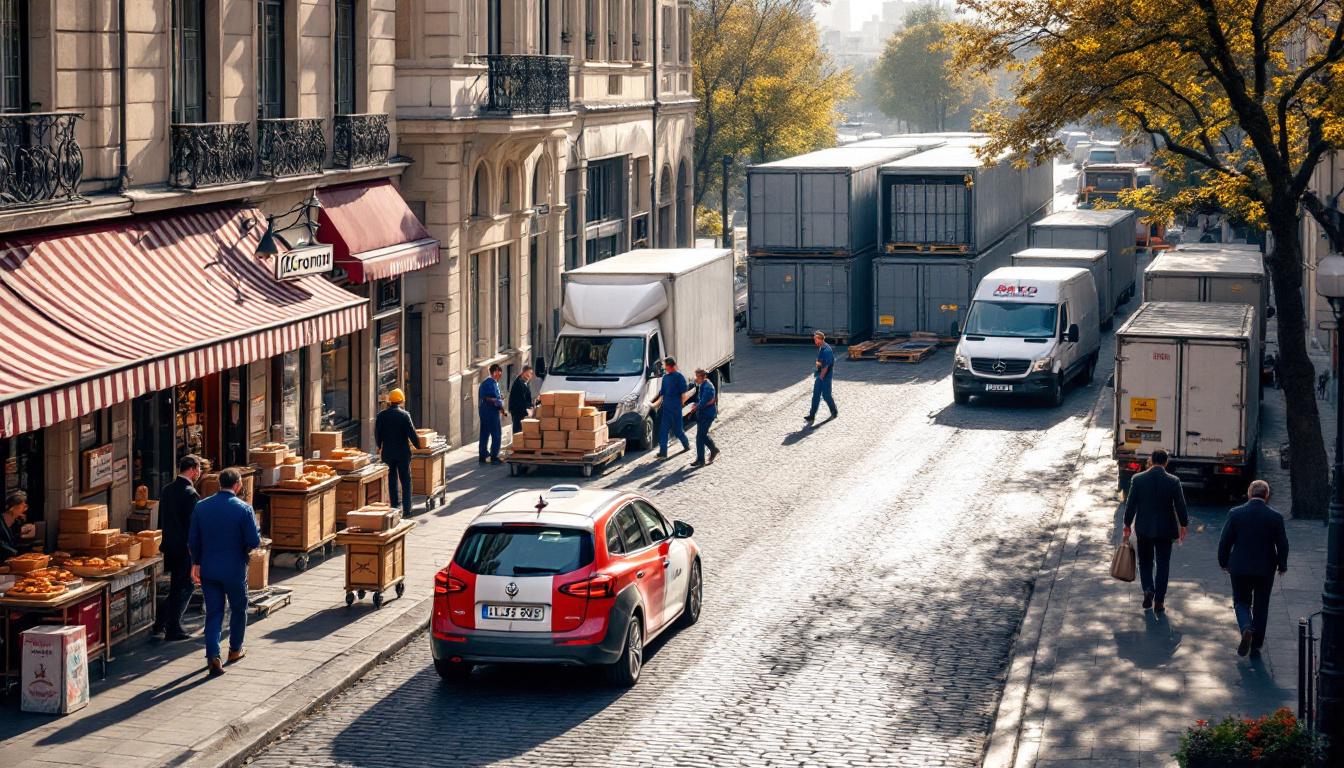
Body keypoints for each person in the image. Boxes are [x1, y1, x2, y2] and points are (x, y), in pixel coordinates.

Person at [189, 468, 261, 677]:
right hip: (235, 569)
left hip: (209, 568)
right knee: (238, 609)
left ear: (220, 484)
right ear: (238, 485)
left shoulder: (201, 507)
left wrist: (196, 563)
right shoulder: (244, 509)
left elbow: (193, 539)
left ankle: (213, 654)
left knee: (214, 613)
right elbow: (253, 541)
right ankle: (235, 650)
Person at [1218, 480, 1289, 657]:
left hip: (1240, 567)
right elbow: (1282, 544)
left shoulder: (1236, 513)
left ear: (1249, 494)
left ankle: (1246, 627)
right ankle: (1256, 643)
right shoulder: (1275, 517)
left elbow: (1225, 541)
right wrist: (1282, 564)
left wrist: (1224, 561)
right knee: (1261, 605)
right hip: (1265, 568)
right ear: (1266, 495)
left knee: (1241, 601)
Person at [1122, 449, 1189, 613]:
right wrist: (1183, 525)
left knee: (1145, 562)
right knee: (1163, 564)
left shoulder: (1138, 479)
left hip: (1144, 528)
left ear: (1150, 460)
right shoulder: (1173, 481)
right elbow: (1180, 505)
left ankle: (1148, 589)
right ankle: (1159, 601)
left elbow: (1131, 505)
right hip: (1166, 529)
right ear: (1166, 462)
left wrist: (1126, 525)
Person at [152, 455, 202, 641]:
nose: (199, 473)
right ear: (193, 469)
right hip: (184, 549)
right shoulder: (190, 494)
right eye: (198, 469)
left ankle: (161, 622)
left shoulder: (167, 490)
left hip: (169, 546)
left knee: (175, 586)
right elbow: (192, 526)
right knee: (185, 586)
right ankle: (173, 626)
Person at [375, 388, 418, 518]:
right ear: (401, 401)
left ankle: (394, 507)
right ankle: (407, 510)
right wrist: (418, 445)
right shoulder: (405, 415)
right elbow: (412, 433)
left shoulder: (381, 416)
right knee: (406, 480)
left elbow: (378, 434)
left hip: (388, 453)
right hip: (403, 453)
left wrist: (379, 445)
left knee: (392, 480)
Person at [650, 357, 690, 459]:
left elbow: (684, 394)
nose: (664, 368)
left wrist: (680, 405)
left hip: (675, 409)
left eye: (665, 366)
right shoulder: (665, 378)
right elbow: (662, 394)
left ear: (670, 366)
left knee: (678, 430)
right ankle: (663, 453)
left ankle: (686, 445)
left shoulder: (679, 377)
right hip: (667, 408)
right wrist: (652, 404)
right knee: (663, 430)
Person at [804, 330, 838, 424]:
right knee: (816, 395)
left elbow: (826, 367)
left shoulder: (826, 350)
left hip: (825, 377)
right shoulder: (822, 347)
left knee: (826, 395)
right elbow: (821, 362)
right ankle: (812, 415)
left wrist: (821, 377)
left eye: (815, 339)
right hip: (820, 375)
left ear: (820, 339)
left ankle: (834, 411)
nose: (814, 341)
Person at [690, 368, 720, 467]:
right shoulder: (703, 385)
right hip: (703, 415)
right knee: (701, 436)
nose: (695, 378)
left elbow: (703, 402)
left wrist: (696, 407)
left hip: (707, 415)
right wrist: (696, 404)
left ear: (702, 377)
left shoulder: (707, 387)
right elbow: (701, 401)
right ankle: (707, 454)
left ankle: (702, 459)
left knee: (700, 436)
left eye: (697, 376)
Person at [478, 364, 507, 465]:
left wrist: (498, 398)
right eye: (499, 373)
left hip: (484, 412)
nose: (500, 376)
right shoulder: (491, 383)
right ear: (495, 372)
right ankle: (494, 457)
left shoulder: (485, 383)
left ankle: (483, 455)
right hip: (491, 412)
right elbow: (494, 399)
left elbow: (489, 397)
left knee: (484, 433)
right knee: (496, 434)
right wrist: (502, 409)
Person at [0, 491, 35, 559]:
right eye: (22, 506)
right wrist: (14, 553)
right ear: (13, 507)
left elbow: (10, 540)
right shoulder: (2, 521)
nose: (25, 509)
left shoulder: (15, 521)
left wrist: (20, 535)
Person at [508, 366, 535, 434]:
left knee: (520, 432)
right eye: (527, 374)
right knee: (518, 432)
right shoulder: (519, 383)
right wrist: (530, 406)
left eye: (531, 374)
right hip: (518, 411)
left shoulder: (524, 382)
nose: (529, 376)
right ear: (523, 373)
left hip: (520, 410)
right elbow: (521, 399)